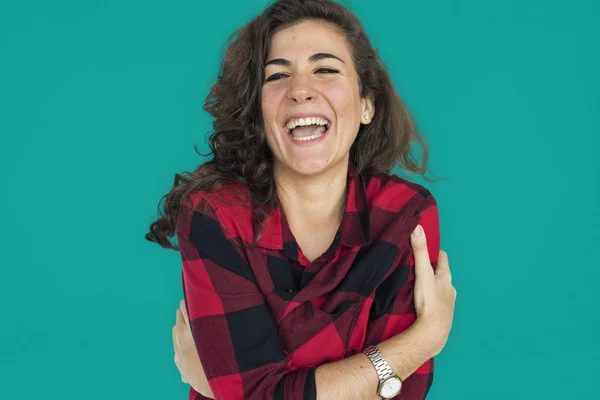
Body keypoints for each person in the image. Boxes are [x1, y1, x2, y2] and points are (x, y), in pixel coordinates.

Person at [146, 0, 457, 399]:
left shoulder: (404, 213)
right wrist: (421, 342)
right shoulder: (217, 216)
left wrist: (235, 390)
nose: (300, 91)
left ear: (367, 104)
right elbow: (389, 386)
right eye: (277, 76)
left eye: (325, 69)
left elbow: (406, 394)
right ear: (257, 110)